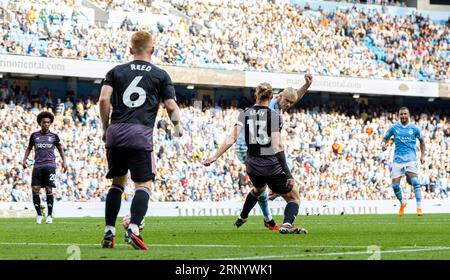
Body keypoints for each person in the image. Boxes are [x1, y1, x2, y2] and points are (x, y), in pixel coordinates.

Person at [99, 31, 182, 250]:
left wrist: (106, 127)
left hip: (116, 132)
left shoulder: (115, 71)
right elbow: (171, 107)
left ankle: (109, 231)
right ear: (152, 50)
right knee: (143, 185)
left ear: (130, 50)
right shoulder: (160, 74)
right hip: (140, 133)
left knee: (117, 183)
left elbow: (103, 99)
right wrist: (177, 127)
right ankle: (134, 228)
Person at [204, 83, 307, 234]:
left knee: (258, 190)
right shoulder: (274, 115)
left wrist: (214, 156)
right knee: (294, 197)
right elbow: (278, 146)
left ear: (255, 95)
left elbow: (231, 137)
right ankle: (287, 224)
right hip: (270, 164)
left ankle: (243, 216)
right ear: (272, 97)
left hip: (252, 165)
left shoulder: (245, 113)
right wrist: (289, 174)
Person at [235, 74, 313, 229]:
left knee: (259, 188)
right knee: (271, 179)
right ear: (278, 97)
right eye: (287, 101)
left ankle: (254, 216)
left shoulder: (278, 104)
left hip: (251, 148)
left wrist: (307, 85)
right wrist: (285, 174)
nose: (290, 104)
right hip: (249, 148)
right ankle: (272, 201)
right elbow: (273, 145)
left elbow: (294, 96)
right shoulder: (270, 108)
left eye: (291, 102)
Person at [22, 111, 67, 224]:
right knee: (35, 188)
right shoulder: (34, 136)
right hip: (37, 166)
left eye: (48, 122)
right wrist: (24, 160)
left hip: (50, 166)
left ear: (50, 123)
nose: (46, 124)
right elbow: (29, 148)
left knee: (49, 189)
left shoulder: (54, 136)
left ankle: (50, 215)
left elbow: (60, 148)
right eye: (44, 122)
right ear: (40, 123)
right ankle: (39, 214)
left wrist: (64, 161)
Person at [382, 107, 426, 216]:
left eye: (405, 114)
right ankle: (402, 203)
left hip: (411, 159)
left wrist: (423, 155)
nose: (403, 116)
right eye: (401, 114)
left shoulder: (414, 129)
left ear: (409, 115)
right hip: (397, 160)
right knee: (395, 186)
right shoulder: (394, 128)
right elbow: (385, 138)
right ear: (398, 115)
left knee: (415, 182)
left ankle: (419, 207)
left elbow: (422, 141)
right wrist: (384, 144)